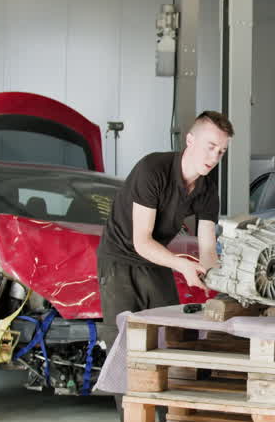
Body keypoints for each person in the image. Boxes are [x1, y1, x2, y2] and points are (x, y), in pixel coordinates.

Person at [98, 111, 231, 351]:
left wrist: (222, 283)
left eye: (221, 151)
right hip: (120, 258)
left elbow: (208, 248)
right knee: (123, 341)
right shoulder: (153, 169)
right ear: (190, 140)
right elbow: (141, 241)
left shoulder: (207, 188)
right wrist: (183, 265)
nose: (214, 157)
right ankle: (122, 389)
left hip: (156, 259)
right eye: (210, 147)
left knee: (171, 332)